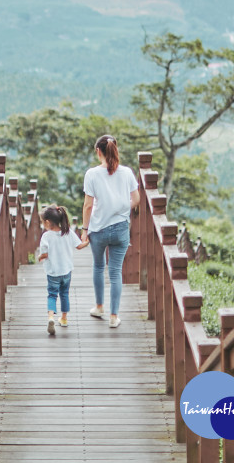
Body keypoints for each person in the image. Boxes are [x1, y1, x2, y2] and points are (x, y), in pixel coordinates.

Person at [80, 134, 140, 329]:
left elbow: (88, 206)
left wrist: (84, 230)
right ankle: (114, 317)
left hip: (98, 229)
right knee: (115, 272)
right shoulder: (127, 173)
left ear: (98, 152)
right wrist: (121, 207)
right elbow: (136, 199)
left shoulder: (92, 174)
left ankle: (99, 307)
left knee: (98, 266)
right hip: (121, 228)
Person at [36, 204, 86, 336]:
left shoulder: (46, 236)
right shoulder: (67, 232)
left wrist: (40, 257)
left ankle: (51, 317)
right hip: (66, 271)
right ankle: (64, 319)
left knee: (52, 295)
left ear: (47, 222)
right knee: (64, 294)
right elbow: (79, 246)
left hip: (53, 272)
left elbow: (45, 254)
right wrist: (88, 240)